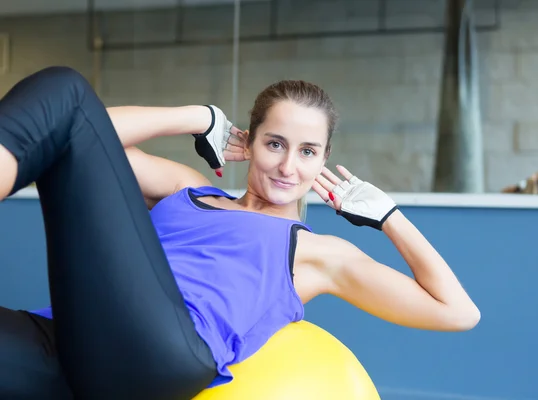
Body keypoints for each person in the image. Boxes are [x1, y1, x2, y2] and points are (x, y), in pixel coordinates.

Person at [0, 66, 480, 400]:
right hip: (71, 342)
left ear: (324, 158)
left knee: (66, 89)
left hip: (162, 355)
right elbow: (78, 133)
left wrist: (389, 216)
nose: (289, 166)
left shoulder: (315, 253)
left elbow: (458, 313)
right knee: (62, 96)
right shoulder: (187, 190)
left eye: (308, 151)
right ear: (247, 143)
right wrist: (197, 118)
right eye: (275, 143)